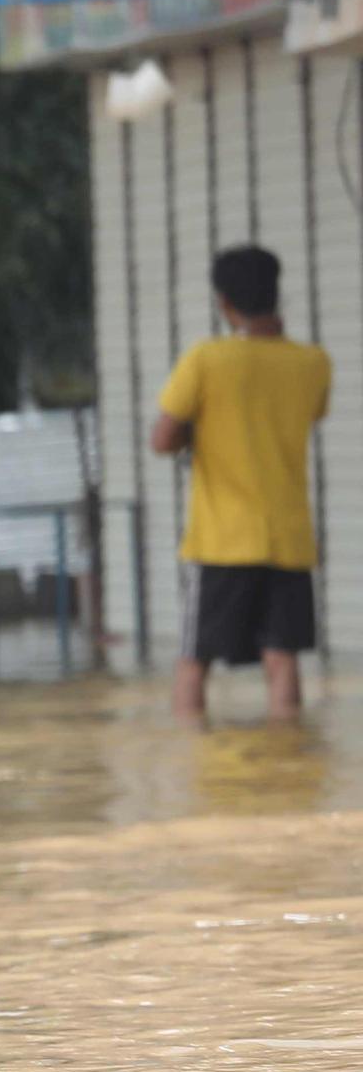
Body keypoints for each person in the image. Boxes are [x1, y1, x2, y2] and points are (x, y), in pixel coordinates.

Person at [155, 243, 331, 725]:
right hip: (289, 538)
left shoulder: (206, 360)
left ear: (223, 303)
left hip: (222, 541)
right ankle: (290, 762)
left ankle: (194, 766)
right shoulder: (314, 363)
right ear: (277, 295)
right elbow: (305, 414)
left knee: (195, 663)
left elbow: (163, 437)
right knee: (282, 659)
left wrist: (196, 432)